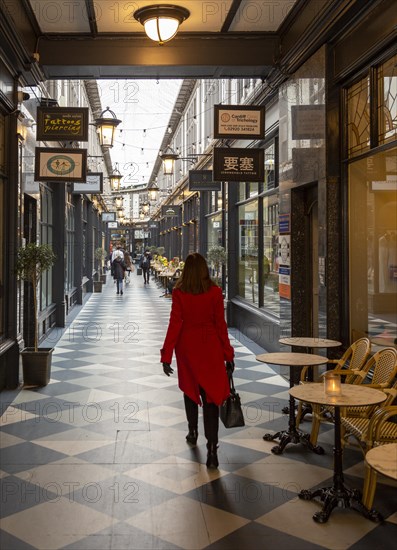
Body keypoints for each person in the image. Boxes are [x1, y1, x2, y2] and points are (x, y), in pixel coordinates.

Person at [160, 252, 235, 469]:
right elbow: (221, 326)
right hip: (210, 348)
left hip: (187, 348)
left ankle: (192, 432)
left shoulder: (179, 293)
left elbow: (175, 324)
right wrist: (228, 354)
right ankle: (212, 450)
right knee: (211, 397)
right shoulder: (214, 292)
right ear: (205, 270)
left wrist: (166, 355)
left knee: (190, 391)